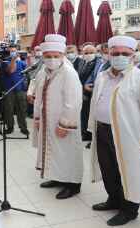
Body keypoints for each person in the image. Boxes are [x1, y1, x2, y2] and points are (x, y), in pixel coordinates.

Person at [89, 36, 140, 226]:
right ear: (109, 54)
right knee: (108, 168)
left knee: (128, 171)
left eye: (125, 54)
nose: (120, 56)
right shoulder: (102, 76)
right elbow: (97, 102)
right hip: (102, 130)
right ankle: (113, 199)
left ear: (133, 55)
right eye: (116, 53)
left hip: (128, 135)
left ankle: (129, 210)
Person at [33, 34, 84, 200]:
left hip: (64, 123)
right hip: (48, 120)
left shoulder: (69, 73)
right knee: (54, 151)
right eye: (48, 57)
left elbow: (74, 102)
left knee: (67, 153)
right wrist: (38, 118)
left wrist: (65, 125)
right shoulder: (43, 72)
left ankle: (73, 184)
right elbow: (39, 98)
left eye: (56, 56)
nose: (52, 59)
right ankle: (56, 177)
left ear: (62, 56)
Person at [0, 44, 29, 135]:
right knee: (9, 109)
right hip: (9, 89)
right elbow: (10, 71)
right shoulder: (5, 62)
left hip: (20, 89)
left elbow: (27, 73)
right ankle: (10, 127)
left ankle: (23, 127)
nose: (13, 52)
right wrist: (13, 60)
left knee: (22, 109)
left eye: (14, 51)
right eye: (11, 51)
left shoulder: (22, 62)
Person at [79, 45, 100, 143]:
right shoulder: (83, 62)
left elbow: (93, 77)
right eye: (86, 53)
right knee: (83, 114)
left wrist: (86, 86)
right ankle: (84, 133)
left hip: (90, 92)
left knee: (88, 114)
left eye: (91, 52)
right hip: (82, 91)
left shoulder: (97, 62)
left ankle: (88, 135)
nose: (88, 55)